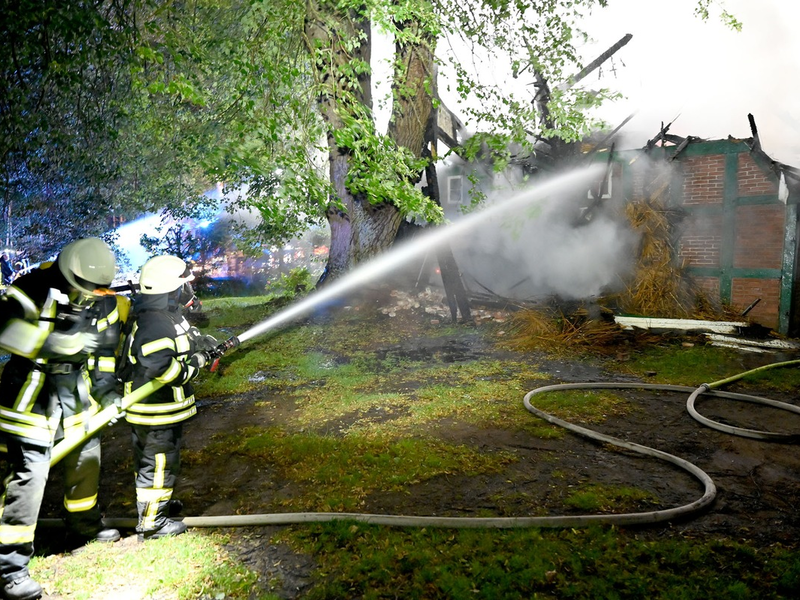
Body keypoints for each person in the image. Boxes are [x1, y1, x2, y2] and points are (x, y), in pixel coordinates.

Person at [0, 238, 122, 600]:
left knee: (86, 457)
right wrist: (49, 344)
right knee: (29, 476)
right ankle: (10, 569)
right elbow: (3, 328)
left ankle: (82, 527)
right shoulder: (31, 288)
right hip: (31, 397)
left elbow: (103, 355)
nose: (94, 295)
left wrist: (108, 393)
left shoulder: (103, 299)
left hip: (76, 395)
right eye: (87, 287)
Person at [120, 255, 214, 541]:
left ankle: (155, 505)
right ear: (171, 289)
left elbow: (181, 334)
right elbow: (159, 367)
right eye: (184, 285)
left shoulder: (164, 316)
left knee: (158, 462)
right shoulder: (155, 324)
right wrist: (192, 368)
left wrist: (201, 342)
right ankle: (152, 523)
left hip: (160, 410)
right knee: (158, 462)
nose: (188, 290)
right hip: (155, 410)